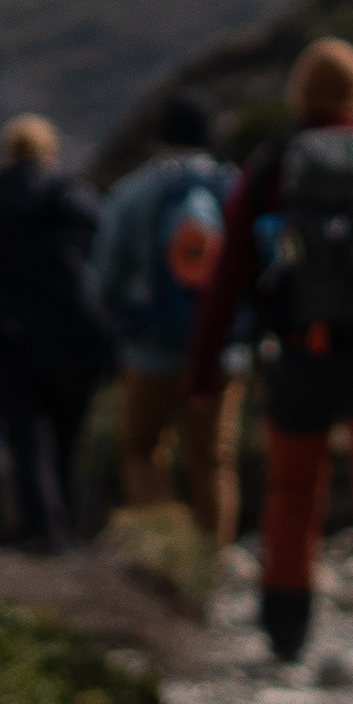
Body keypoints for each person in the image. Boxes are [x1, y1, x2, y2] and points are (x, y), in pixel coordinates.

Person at [192, 40, 353, 676]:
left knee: (293, 489)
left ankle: (286, 631)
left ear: (300, 96)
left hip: (299, 354)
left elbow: (230, 272)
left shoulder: (272, 169)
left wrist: (203, 364)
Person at [0, 111, 118, 553]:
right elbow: (107, 259)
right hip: (78, 333)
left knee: (25, 436)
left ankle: (45, 531)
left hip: (13, 336)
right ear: (49, 151)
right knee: (67, 437)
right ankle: (78, 526)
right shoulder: (75, 196)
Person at [93, 95, 239, 550]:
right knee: (214, 459)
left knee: (141, 449)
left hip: (150, 350)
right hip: (223, 348)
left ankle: (169, 552)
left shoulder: (133, 192)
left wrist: (118, 319)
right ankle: (213, 566)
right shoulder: (233, 188)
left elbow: (106, 277)